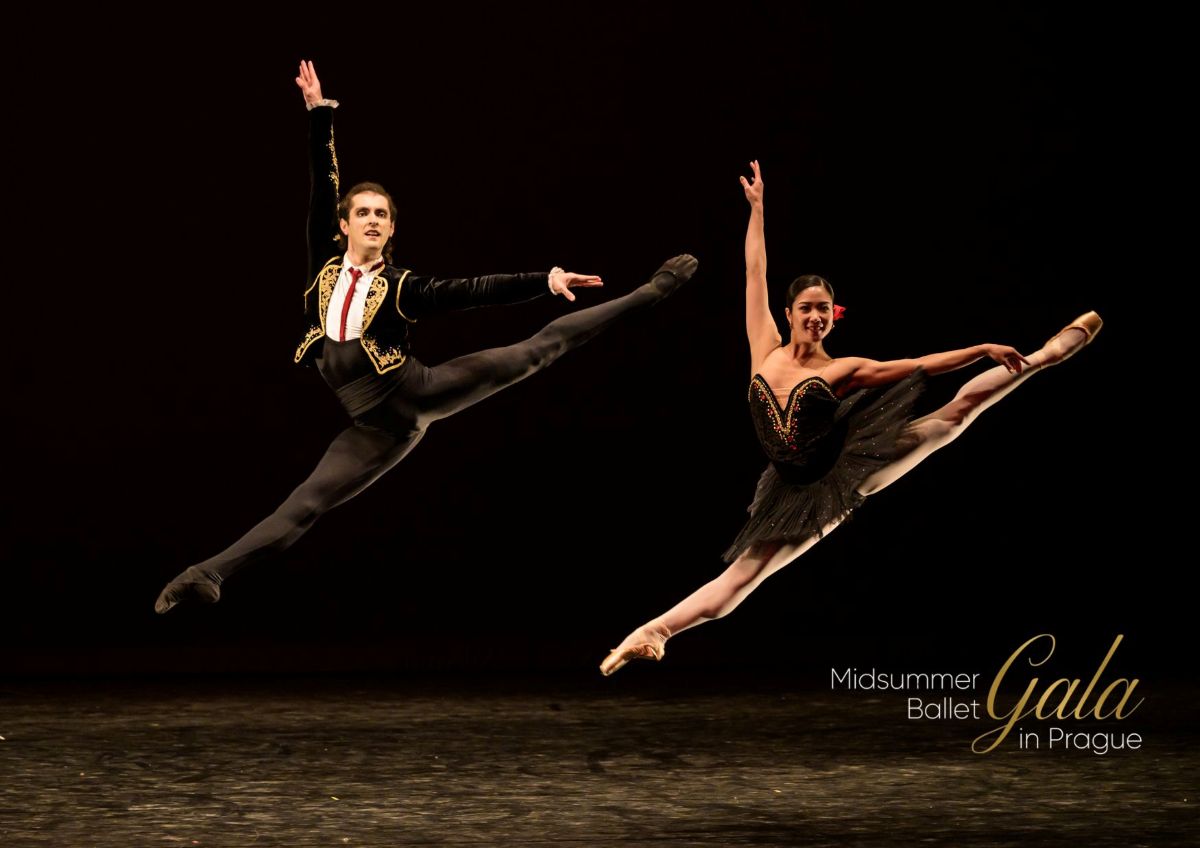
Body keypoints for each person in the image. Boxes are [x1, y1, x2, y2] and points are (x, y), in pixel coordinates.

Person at [154, 61, 697, 613]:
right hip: (372, 427)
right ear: (343, 226)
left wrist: (547, 279)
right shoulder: (323, 267)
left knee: (535, 351)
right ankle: (206, 574)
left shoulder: (401, 286)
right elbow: (324, 184)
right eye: (361, 212)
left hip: (418, 392)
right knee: (304, 504)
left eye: (382, 215)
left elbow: (474, 290)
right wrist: (318, 115)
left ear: (391, 229)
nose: (371, 220)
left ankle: (651, 291)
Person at [599, 160, 1100, 674]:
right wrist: (758, 210)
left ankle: (1041, 357)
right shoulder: (763, 347)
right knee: (744, 577)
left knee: (954, 415)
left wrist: (981, 348)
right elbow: (754, 270)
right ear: (789, 313)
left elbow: (921, 365)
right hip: (790, 489)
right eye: (807, 307)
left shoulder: (844, 369)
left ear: (831, 315)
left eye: (824, 308)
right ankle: (652, 632)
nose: (815, 316)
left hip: (846, 470)